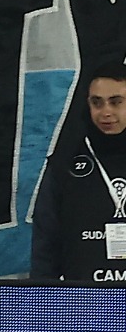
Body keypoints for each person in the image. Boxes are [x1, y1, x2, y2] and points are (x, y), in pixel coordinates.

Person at [31, 62, 126, 282]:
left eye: (116, 102)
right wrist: (44, 299)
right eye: (97, 103)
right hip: (82, 302)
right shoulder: (65, 163)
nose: (106, 113)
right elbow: (46, 242)